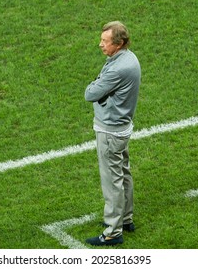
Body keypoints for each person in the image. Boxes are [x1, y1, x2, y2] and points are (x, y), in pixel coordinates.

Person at [84, 21, 141, 246]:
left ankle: (113, 231)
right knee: (123, 173)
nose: (100, 45)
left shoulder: (117, 68)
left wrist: (96, 84)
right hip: (122, 127)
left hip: (110, 130)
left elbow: (90, 93)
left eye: (105, 42)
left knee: (112, 180)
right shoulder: (130, 58)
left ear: (118, 44)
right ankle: (126, 219)